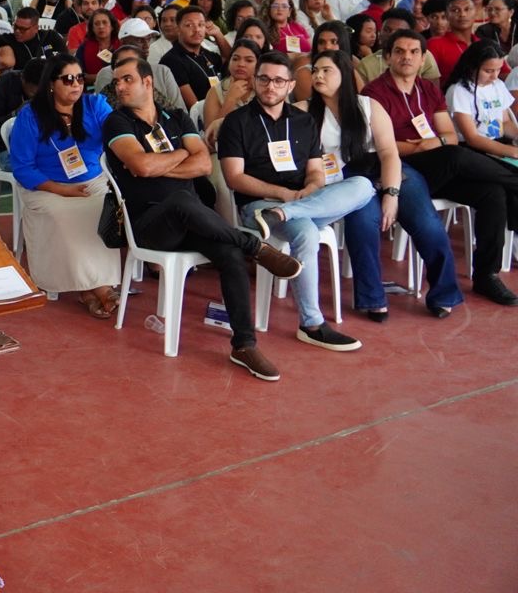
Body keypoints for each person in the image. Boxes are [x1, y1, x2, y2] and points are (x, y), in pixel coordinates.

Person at [105, 57, 299, 378]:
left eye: (127, 79)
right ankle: (255, 245)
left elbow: (204, 166)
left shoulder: (177, 117)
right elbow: (140, 167)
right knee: (181, 198)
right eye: (117, 82)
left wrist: (165, 160)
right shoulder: (118, 122)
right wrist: (183, 152)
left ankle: (244, 345)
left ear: (148, 82)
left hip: (192, 221)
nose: (120, 87)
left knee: (230, 254)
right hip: (149, 227)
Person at [217, 51, 371, 350]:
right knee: (307, 232)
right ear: (254, 81)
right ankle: (312, 324)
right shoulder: (237, 122)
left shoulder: (303, 121)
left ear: (290, 86)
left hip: (298, 203)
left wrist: (310, 188)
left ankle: (285, 214)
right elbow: (234, 178)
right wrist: (283, 195)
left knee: (363, 186)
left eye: (278, 81)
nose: (270, 86)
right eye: (263, 79)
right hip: (258, 206)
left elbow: (316, 172)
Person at [363, 30, 518, 307]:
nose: (406, 57)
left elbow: (447, 133)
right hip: (401, 169)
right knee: (454, 156)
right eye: (399, 51)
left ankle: (486, 275)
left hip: (436, 164)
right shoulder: (374, 92)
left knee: (492, 193)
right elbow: (382, 146)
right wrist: (423, 146)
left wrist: (431, 142)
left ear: (423, 58)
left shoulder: (429, 89)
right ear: (387, 57)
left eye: (414, 52)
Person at [301, 50, 457, 321]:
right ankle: (372, 298)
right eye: (315, 70)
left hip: (385, 169)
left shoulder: (368, 106)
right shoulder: (305, 110)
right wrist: (221, 121)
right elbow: (266, 114)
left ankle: (444, 293)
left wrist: (391, 194)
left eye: (327, 70)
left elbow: (389, 154)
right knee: (363, 224)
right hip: (346, 179)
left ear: (345, 75)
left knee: (427, 224)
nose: (318, 76)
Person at [8, 55, 121, 316]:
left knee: (103, 207)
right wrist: (62, 190)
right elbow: (23, 167)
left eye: (80, 78)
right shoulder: (31, 116)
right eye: (68, 79)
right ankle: (99, 290)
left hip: (92, 180)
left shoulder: (95, 105)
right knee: (63, 214)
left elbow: (118, 132)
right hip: (46, 186)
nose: (76, 84)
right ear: (50, 84)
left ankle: (93, 289)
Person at [446, 40, 518, 161]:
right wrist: (510, 151)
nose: (495, 76)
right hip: (472, 150)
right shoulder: (458, 91)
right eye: (488, 71)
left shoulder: (498, 85)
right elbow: (472, 138)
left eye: (498, 70)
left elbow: (505, 123)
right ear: (472, 66)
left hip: (497, 144)